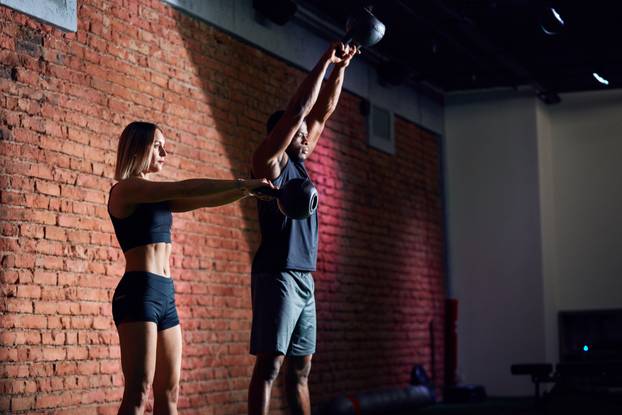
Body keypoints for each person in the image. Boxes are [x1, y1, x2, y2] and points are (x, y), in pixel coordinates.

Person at [108, 121, 272, 415]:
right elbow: (188, 186)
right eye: (158, 145)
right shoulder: (126, 189)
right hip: (138, 293)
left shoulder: (156, 196)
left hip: (165, 295)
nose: (164, 152)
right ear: (139, 146)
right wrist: (242, 183)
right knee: (138, 392)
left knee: (169, 392)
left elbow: (202, 199)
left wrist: (247, 192)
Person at [248, 42, 358, 415]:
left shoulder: (299, 159)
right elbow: (300, 110)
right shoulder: (270, 162)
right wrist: (325, 59)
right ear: (283, 134)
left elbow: (322, 113)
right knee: (270, 367)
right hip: (277, 273)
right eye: (299, 135)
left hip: (303, 277)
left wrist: (341, 68)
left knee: (301, 369)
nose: (306, 139)